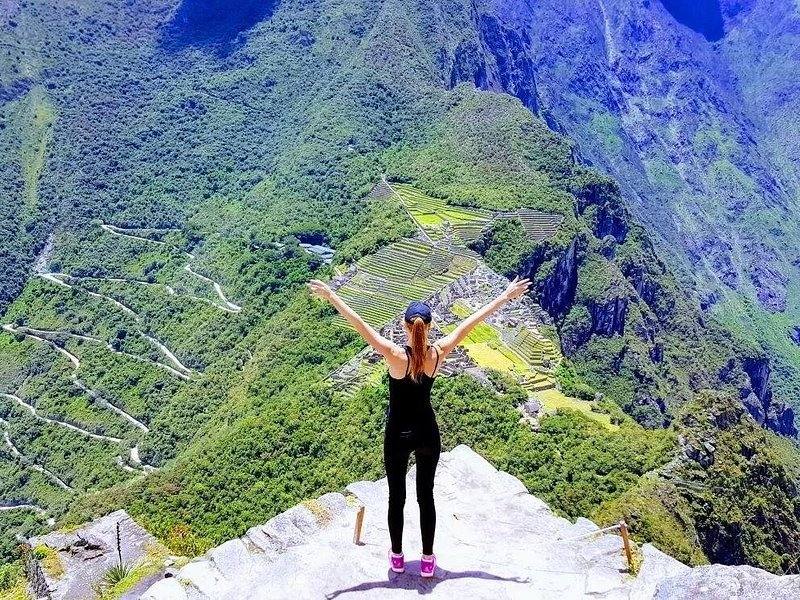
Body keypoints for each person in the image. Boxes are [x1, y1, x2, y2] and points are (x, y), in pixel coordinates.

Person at [307, 276, 531, 578]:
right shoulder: (438, 353)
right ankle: (427, 560)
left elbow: (359, 323)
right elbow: (473, 321)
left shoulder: (395, 355)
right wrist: (505, 296)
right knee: (426, 496)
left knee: (396, 498)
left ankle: (397, 557)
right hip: (427, 432)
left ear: (404, 326)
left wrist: (332, 296)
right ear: (430, 326)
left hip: (397, 434)